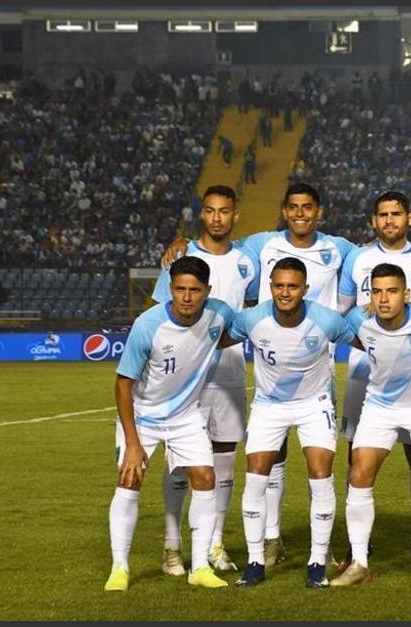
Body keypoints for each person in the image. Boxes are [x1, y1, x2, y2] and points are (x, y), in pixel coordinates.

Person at [163, 181, 354, 567]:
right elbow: (217, 247)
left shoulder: (341, 250)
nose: (300, 214)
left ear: (319, 212)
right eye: (293, 207)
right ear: (284, 211)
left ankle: (324, 546)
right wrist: (180, 243)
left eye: (308, 207)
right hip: (271, 370)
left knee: (322, 462)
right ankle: (271, 538)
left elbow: (365, 271)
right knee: (272, 456)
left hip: (318, 368)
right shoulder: (259, 246)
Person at [337, 190, 411, 572]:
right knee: (359, 459)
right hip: (368, 374)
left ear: (410, 218)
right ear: (374, 221)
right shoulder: (357, 257)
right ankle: (360, 549)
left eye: (396, 214)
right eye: (382, 215)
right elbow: (344, 314)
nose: (389, 220)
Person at [104, 256, 235, 592]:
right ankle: (120, 567)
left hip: (185, 415)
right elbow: (123, 384)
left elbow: (244, 328)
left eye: (194, 290)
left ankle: (201, 567)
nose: (187, 297)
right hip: (144, 416)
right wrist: (133, 444)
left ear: (207, 290)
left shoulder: (219, 315)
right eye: (180, 289)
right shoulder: (148, 325)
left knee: (206, 477)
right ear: (170, 290)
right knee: (130, 479)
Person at [223, 257, 354, 589]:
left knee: (321, 475)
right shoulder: (252, 319)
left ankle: (316, 562)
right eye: (279, 285)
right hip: (269, 405)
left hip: (315, 404)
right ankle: (255, 562)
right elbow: (214, 339)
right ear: (270, 288)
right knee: (255, 478)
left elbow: (367, 341)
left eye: (292, 286)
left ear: (305, 289)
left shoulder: (326, 320)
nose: (285, 292)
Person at [151, 185, 258, 577]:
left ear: (235, 216)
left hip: (229, 371)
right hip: (184, 377)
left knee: (225, 459)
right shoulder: (181, 256)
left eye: (224, 211)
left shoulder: (249, 261)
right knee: (180, 462)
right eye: (210, 211)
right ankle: (171, 547)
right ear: (203, 215)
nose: (217, 218)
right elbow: (160, 316)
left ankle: (214, 542)